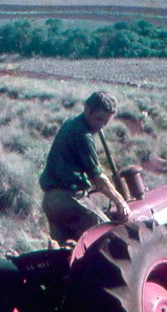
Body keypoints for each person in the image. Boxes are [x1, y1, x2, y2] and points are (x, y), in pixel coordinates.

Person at [39, 90, 130, 246]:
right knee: (112, 237)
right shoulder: (83, 135)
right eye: (98, 119)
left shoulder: (70, 123)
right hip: (69, 199)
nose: (100, 125)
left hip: (50, 201)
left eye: (105, 122)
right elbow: (98, 178)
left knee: (65, 253)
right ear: (87, 109)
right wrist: (120, 201)